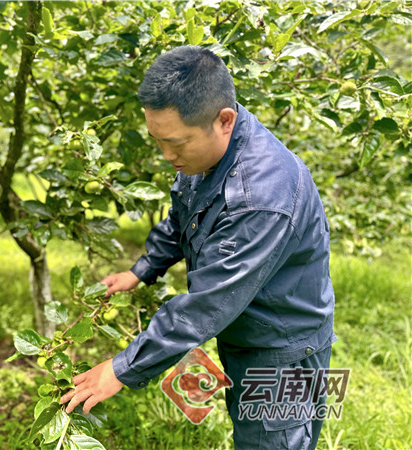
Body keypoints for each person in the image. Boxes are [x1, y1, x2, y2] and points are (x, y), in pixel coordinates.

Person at [61, 45, 336, 449]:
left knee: (270, 443)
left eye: (177, 143)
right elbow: (185, 217)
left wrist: (122, 368)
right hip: (249, 331)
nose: (167, 156)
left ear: (224, 120)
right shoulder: (208, 156)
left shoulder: (260, 196)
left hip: (282, 351)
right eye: (158, 141)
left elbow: (209, 303)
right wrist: (143, 269)